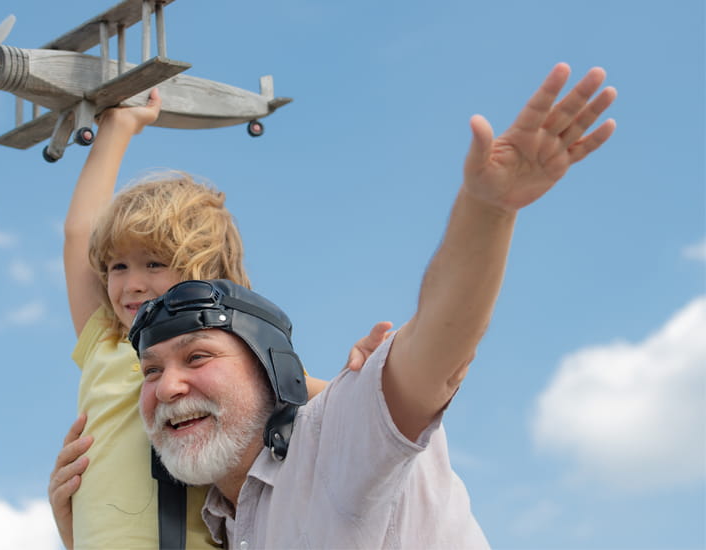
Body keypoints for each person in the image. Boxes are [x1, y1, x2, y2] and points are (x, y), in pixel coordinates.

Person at [128, 63, 615, 547]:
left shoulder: (340, 439)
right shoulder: (221, 523)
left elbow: (438, 344)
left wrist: (489, 209)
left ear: (270, 366)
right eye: (151, 371)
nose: (168, 387)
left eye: (197, 357)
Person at [53, 87, 393, 550]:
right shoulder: (106, 344)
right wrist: (118, 126)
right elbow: (80, 234)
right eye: (118, 267)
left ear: (203, 271)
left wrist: (369, 384)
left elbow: (304, 395)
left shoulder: (225, 354)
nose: (131, 284)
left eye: (154, 264)